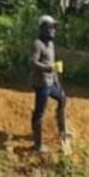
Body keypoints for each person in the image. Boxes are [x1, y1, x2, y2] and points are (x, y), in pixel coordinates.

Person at [30, 15, 68, 155]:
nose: (53, 31)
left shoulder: (51, 45)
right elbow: (33, 62)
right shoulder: (37, 43)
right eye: (50, 27)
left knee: (63, 98)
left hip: (51, 82)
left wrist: (56, 78)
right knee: (39, 113)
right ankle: (38, 145)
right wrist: (48, 68)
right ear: (43, 29)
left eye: (54, 28)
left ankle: (62, 130)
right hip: (41, 84)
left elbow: (52, 64)